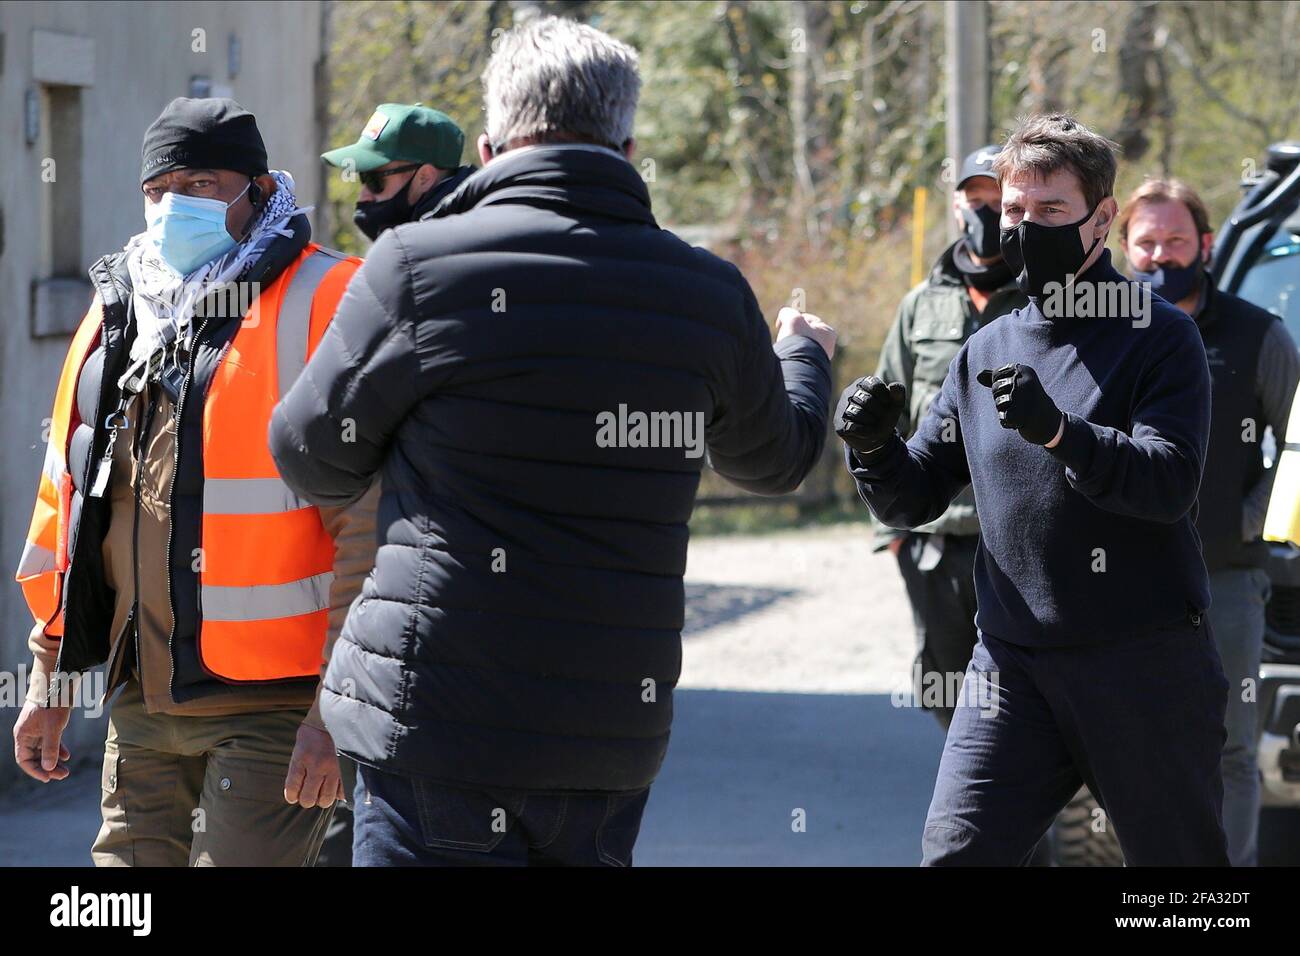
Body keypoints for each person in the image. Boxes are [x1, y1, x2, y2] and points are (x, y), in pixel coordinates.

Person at [269, 16, 835, 867]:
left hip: (435, 726)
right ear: (631, 143)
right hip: (605, 736)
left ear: (492, 146)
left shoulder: (416, 269)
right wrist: (806, 357)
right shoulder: (707, 294)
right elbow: (775, 459)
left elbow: (310, 453)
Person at [836, 113, 1230, 866]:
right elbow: (912, 497)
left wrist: (1062, 432)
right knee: (955, 855)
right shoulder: (987, 348)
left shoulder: (1160, 336)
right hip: (1012, 666)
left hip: (1143, 665)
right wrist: (874, 447)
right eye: (1016, 211)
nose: (1023, 228)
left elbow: (1169, 481)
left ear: (1102, 219)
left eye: (1051, 212)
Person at [12, 98, 364, 866]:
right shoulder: (116, 317)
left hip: (276, 707)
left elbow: (375, 533)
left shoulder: (332, 301)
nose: (176, 206)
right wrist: (51, 680)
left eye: (203, 183)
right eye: (160, 187)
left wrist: (334, 715)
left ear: (263, 191)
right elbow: (70, 514)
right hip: (143, 699)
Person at [1120, 178, 1300, 866]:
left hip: (1225, 580)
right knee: (1130, 749)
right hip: (1122, 584)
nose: (1161, 256)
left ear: (1206, 245)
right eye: (1146, 244)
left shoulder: (1258, 334)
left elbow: (1299, 440)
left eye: (1175, 241)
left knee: (1228, 748)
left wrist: (1257, 518)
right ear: (1125, 249)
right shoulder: (1103, 334)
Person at [313, 100, 474, 866]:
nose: (363, 198)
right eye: (358, 179)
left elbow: (307, 442)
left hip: (420, 632)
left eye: (377, 180)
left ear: (430, 177)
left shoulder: (429, 273)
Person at [873, 144, 1027, 727]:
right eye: (974, 200)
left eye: (998, 201)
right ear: (958, 206)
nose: (985, 213)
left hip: (1014, 535)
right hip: (935, 540)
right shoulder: (921, 305)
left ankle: (1038, 813)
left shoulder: (1044, 299)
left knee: (1023, 687)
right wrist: (895, 533)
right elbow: (880, 416)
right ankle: (988, 803)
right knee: (943, 684)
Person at [322, 102, 476, 241]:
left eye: (374, 180)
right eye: (363, 177)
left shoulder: (454, 246)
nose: (363, 196)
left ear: (424, 177)